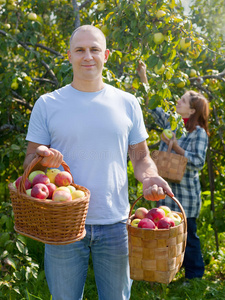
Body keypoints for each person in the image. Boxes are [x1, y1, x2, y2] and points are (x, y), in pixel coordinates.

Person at [23, 25, 173, 300]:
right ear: (69, 56)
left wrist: (149, 176)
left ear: (106, 54)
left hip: (116, 223)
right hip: (62, 224)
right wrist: (42, 159)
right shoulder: (48, 103)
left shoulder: (127, 103)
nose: (87, 56)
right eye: (80, 50)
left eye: (94, 49)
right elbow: (29, 164)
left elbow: (140, 156)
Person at [137, 61, 210, 280]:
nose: (178, 101)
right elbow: (153, 107)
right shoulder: (173, 123)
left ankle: (194, 276)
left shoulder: (199, 133)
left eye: (183, 100)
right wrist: (144, 77)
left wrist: (175, 145)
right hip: (166, 191)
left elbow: (197, 162)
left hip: (185, 196)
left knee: (189, 237)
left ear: (192, 109)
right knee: (165, 233)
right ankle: (167, 272)